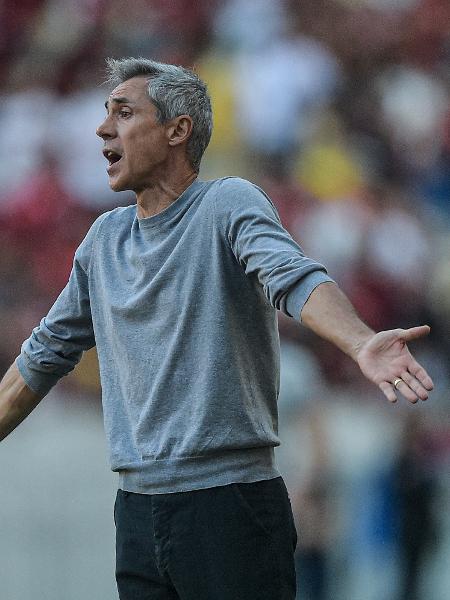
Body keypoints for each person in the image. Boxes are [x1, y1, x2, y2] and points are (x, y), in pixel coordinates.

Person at [0, 58, 434, 600]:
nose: (102, 129)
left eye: (124, 113)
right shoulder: (102, 241)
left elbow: (293, 279)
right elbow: (43, 355)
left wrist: (359, 340)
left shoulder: (225, 204)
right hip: (136, 513)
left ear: (177, 130)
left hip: (230, 507)